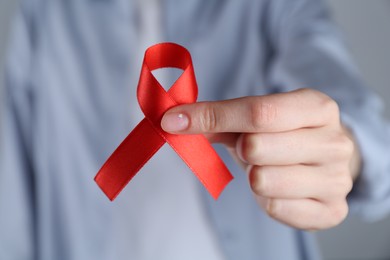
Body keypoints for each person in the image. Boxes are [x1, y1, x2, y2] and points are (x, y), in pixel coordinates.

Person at [1, 0, 390, 259]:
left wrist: (347, 150)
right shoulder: (47, 14)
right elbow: (13, 198)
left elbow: (339, 94)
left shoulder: (271, 6)